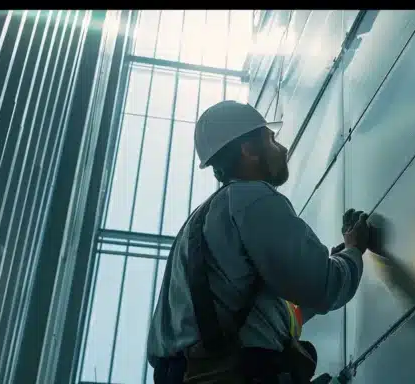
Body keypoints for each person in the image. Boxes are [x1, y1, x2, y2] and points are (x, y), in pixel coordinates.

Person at [147, 100, 372, 383]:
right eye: (271, 139)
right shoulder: (251, 199)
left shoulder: (201, 222)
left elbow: (269, 310)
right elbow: (324, 286)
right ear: (249, 150)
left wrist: (337, 259)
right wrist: (354, 251)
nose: (283, 149)